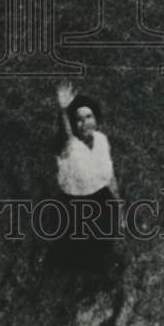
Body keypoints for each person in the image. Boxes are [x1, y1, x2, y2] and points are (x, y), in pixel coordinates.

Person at [54, 82, 122, 262]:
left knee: (104, 242)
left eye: (89, 116)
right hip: (75, 203)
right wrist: (63, 110)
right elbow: (64, 134)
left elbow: (111, 176)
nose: (85, 123)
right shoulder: (69, 146)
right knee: (76, 250)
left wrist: (119, 206)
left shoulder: (101, 140)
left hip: (100, 198)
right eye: (79, 119)